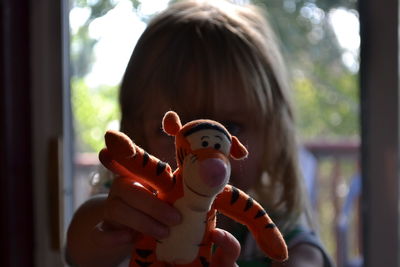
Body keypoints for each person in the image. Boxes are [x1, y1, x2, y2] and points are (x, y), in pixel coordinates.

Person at [66, 0, 333, 266]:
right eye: (175, 132)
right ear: (138, 135)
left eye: (231, 128)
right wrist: (111, 219)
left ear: (272, 136)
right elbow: (81, 250)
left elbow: (308, 258)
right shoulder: (135, 212)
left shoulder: (278, 230)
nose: (206, 157)